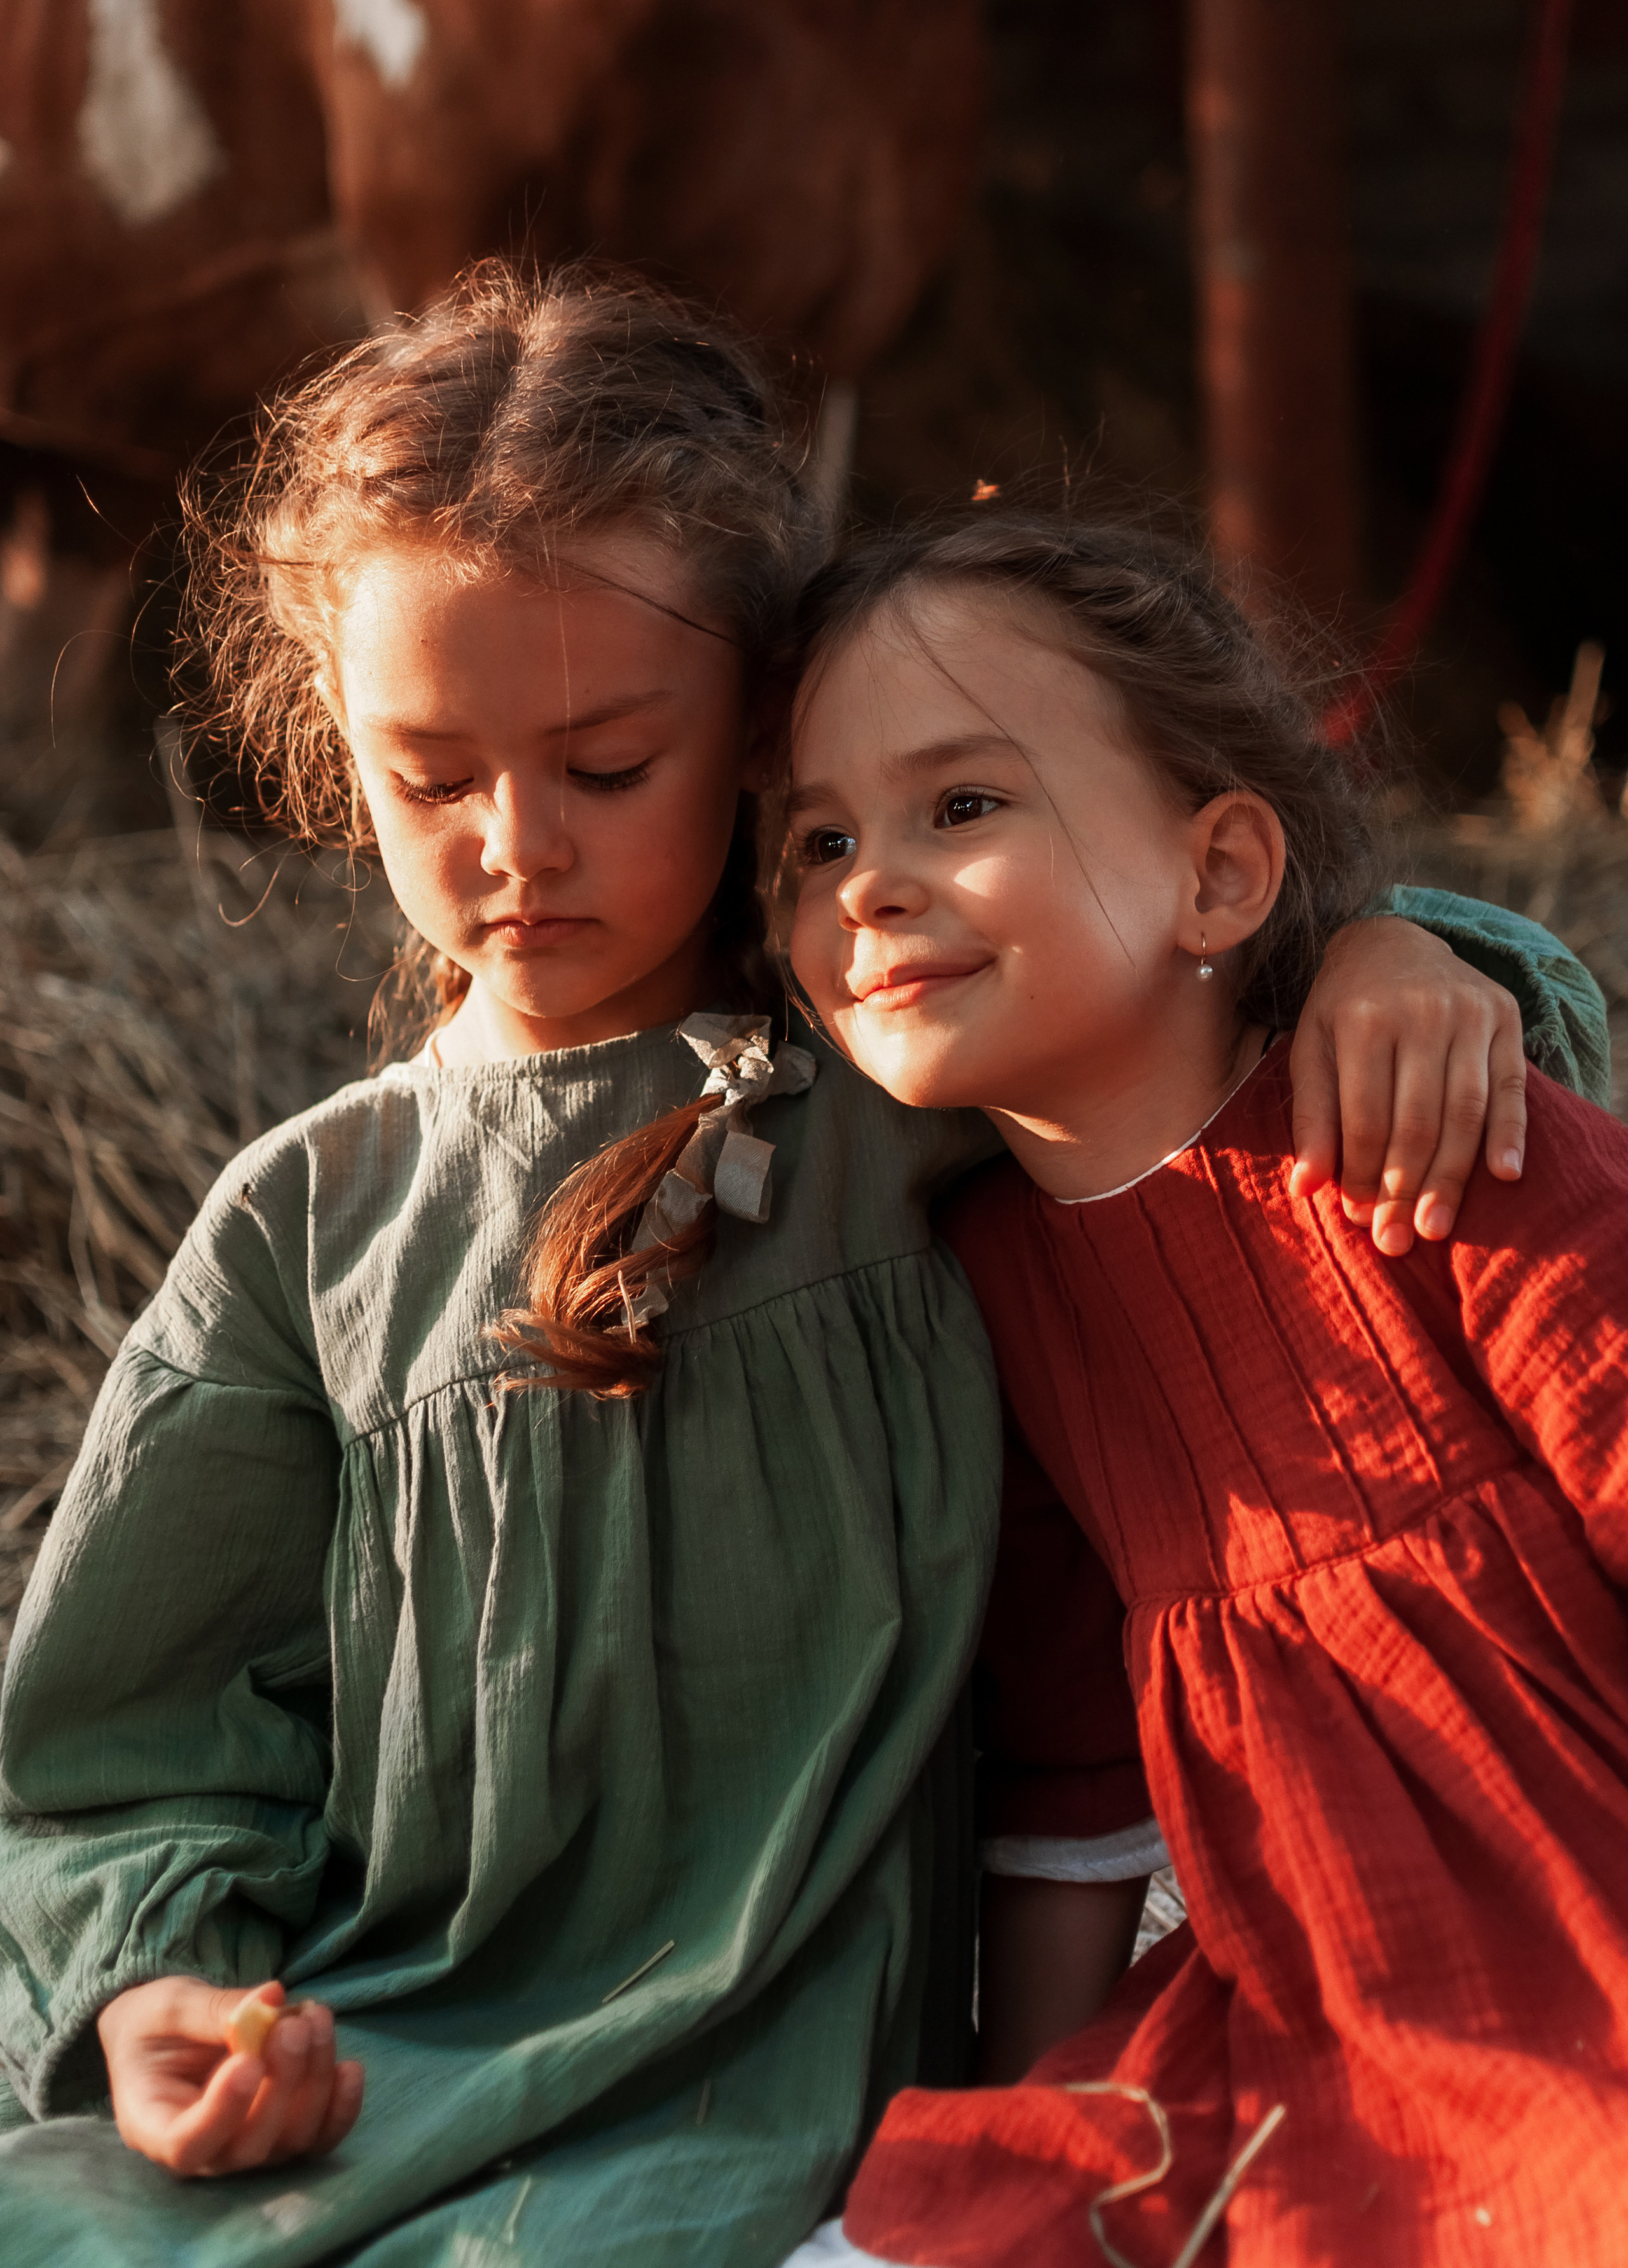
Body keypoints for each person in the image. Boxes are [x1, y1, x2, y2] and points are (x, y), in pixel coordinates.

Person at [0, 278, 1599, 2268]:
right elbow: (123, 1753)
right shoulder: (304, 1226)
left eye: (607, 766)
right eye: (431, 777)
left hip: (769, 2107)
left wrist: (1395, 954)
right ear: (337, 749)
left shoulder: (905, 1078)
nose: (518, 844)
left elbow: (1196, 986)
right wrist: (153, 2000)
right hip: (378, 2061)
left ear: (760, 738)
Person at [780, 505, 1625, 2268]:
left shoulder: (1429, 1136)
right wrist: (1031, 2105)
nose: (868, 884)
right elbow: (1074, 1770)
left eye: (963, 805)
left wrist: (1397, 944)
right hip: (1311, 2001)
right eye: (818, 841)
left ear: (1222, 875)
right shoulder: (981, 1284)